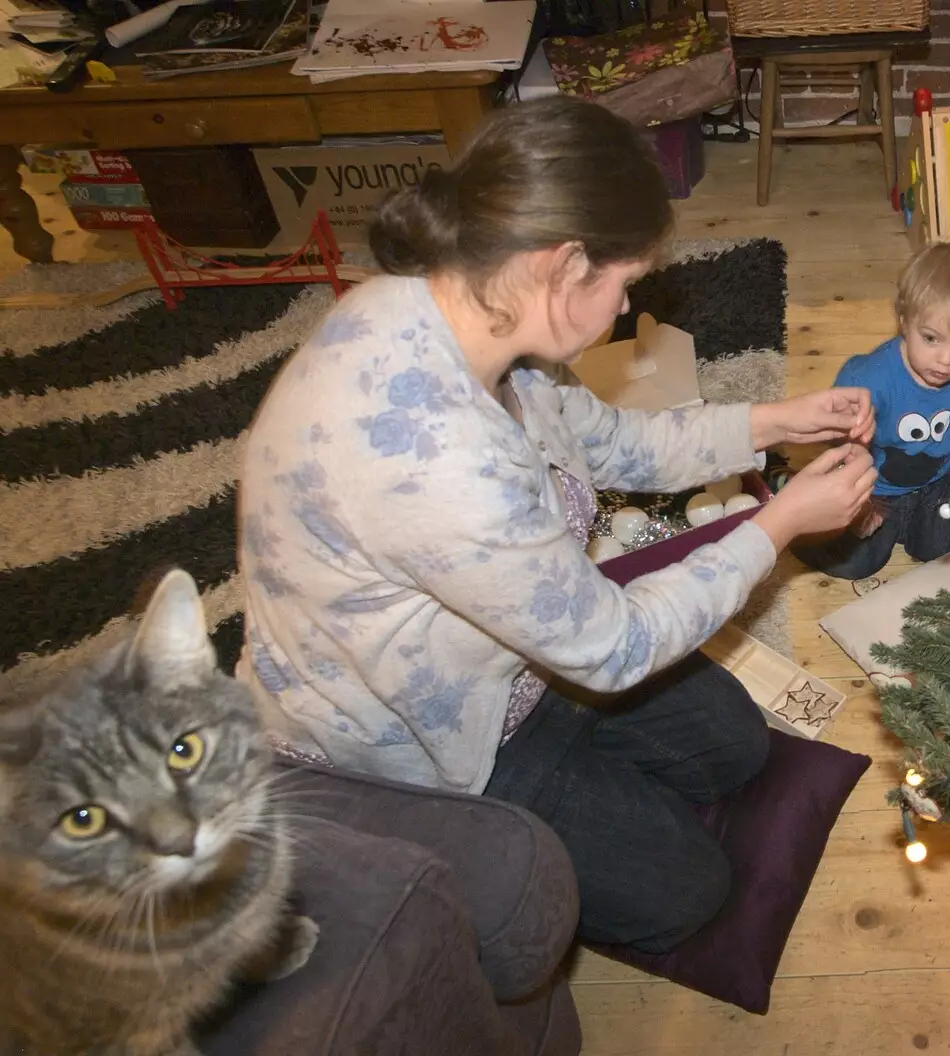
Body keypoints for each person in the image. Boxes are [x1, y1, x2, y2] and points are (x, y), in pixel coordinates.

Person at [235, 96, 878, 954]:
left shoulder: (461, 313)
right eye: (621, 285)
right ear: (563, 263)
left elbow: (611, 443)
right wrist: (779, 526)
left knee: (734, 750)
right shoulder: (434, 459)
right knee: (687, 891)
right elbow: (612, 651)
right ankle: (453, 833)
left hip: (521, 648)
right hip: (432, 736)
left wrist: (773, 421)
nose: (620, 312)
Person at [794, 240, 950, 581]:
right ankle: (793, 512)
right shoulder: (867, 379)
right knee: (856, 563)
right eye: (932, 338)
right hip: (873, 488)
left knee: (944, 548)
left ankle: (922, 527)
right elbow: (841, 448)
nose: (946, 359)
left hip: (937, 484)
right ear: (904, 320)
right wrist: (860, 503)